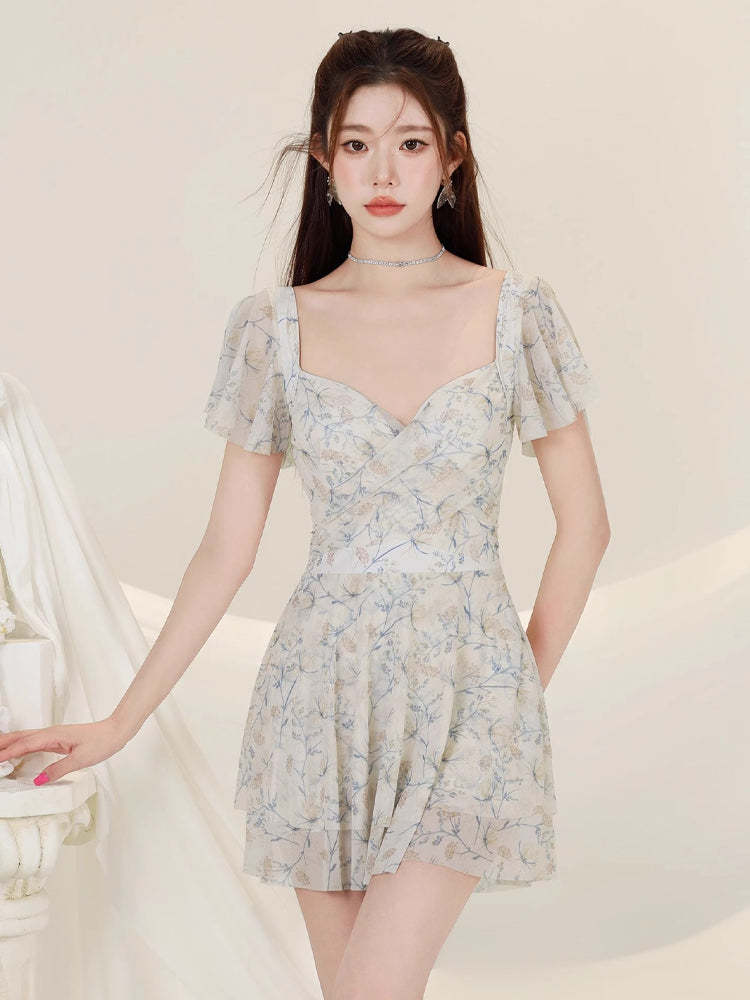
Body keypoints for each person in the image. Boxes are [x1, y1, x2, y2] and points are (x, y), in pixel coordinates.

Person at [0, 28, 610, 1000]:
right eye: (357, 143)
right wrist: (119, 721)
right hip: (316, 706)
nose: (383, 171)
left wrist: (514, 697)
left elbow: (586, 526)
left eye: (411, 142)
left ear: (453, 157)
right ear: (324, 159)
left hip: (472, 704)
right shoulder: (274, 329)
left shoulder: (516, 313)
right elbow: (224, 550)